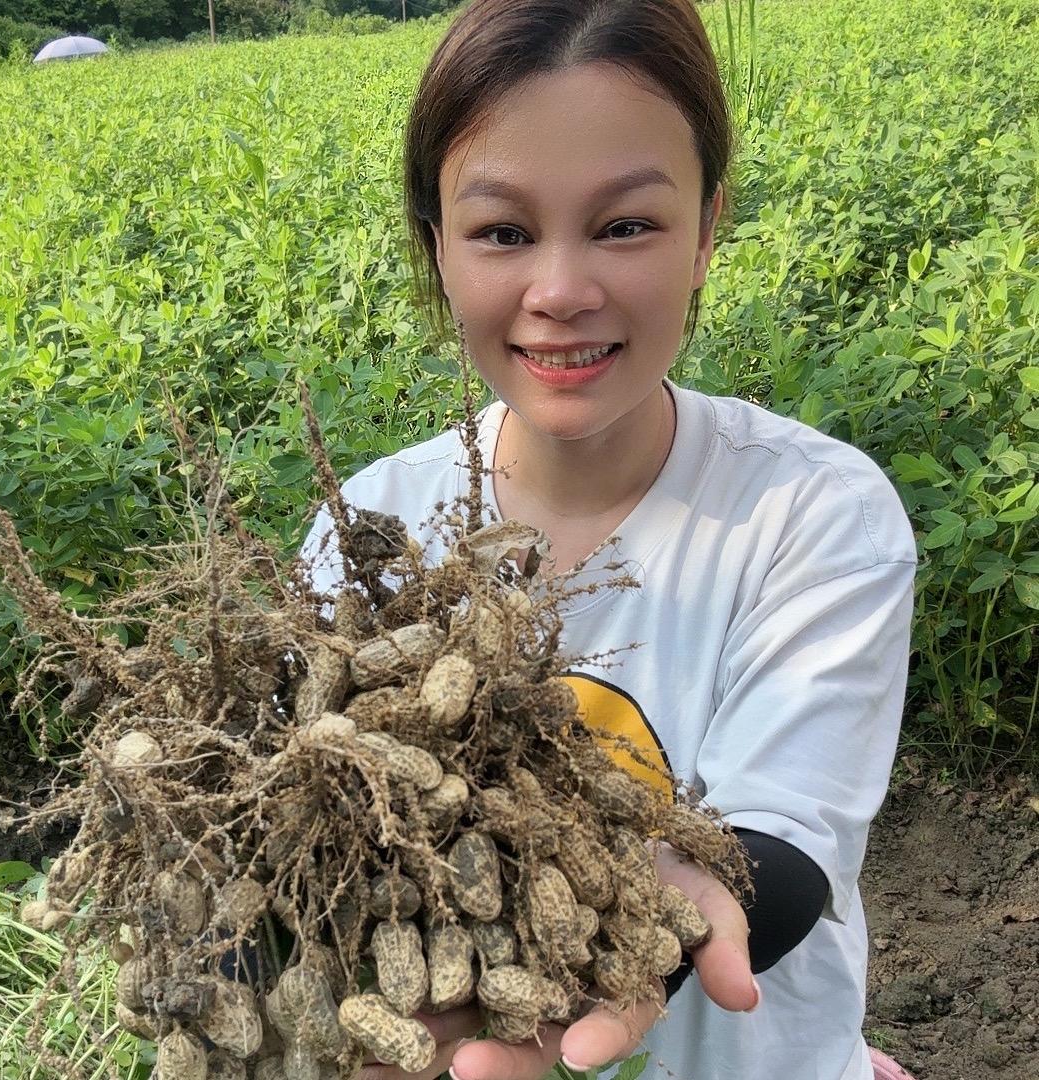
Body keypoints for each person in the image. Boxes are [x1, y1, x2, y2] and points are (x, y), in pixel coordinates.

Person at [301, 2, 918, 1078]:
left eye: (625, 225)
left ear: (707, 234)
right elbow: (312, 804)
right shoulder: (371, 531)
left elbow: (783, 827)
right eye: (503, 232)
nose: (562, 292)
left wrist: (674, 913)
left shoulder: (812, 513)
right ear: (436, 248)